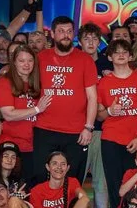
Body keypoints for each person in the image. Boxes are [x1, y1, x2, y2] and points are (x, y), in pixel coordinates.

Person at [30, 15, 99, 182]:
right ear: (52, 34)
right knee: (40, 176)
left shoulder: (85, 60)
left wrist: (88, 127)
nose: (65, 35)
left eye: (69, 31)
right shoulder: (40, 58)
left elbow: (92, 97)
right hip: (44, 128)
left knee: (72, 179)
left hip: (75, 131)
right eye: (61, 31)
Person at [93, 39, 137, 208]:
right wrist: (110, 111)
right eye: (116, 52)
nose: (120, 55)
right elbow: (100, 114)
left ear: (130, 56)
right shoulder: (104, 83)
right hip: (111, 138)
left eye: (124, 52)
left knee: (136, 181)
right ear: (110, 57)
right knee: (114, 183)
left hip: (136, 138)